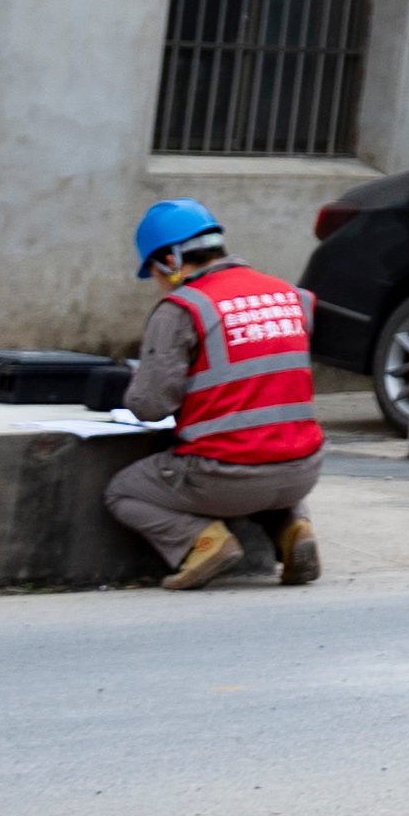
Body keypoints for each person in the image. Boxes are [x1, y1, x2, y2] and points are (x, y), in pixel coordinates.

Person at [111, 197, 327, 590]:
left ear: (170, 262)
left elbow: (150, 406)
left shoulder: (182, 308)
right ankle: (295, 529)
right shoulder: (291, 297)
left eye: (155, 272)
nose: (158, 282)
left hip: (221, 477)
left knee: (124, 491)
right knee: (270, 459)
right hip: (303, 472)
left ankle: (204, 544)